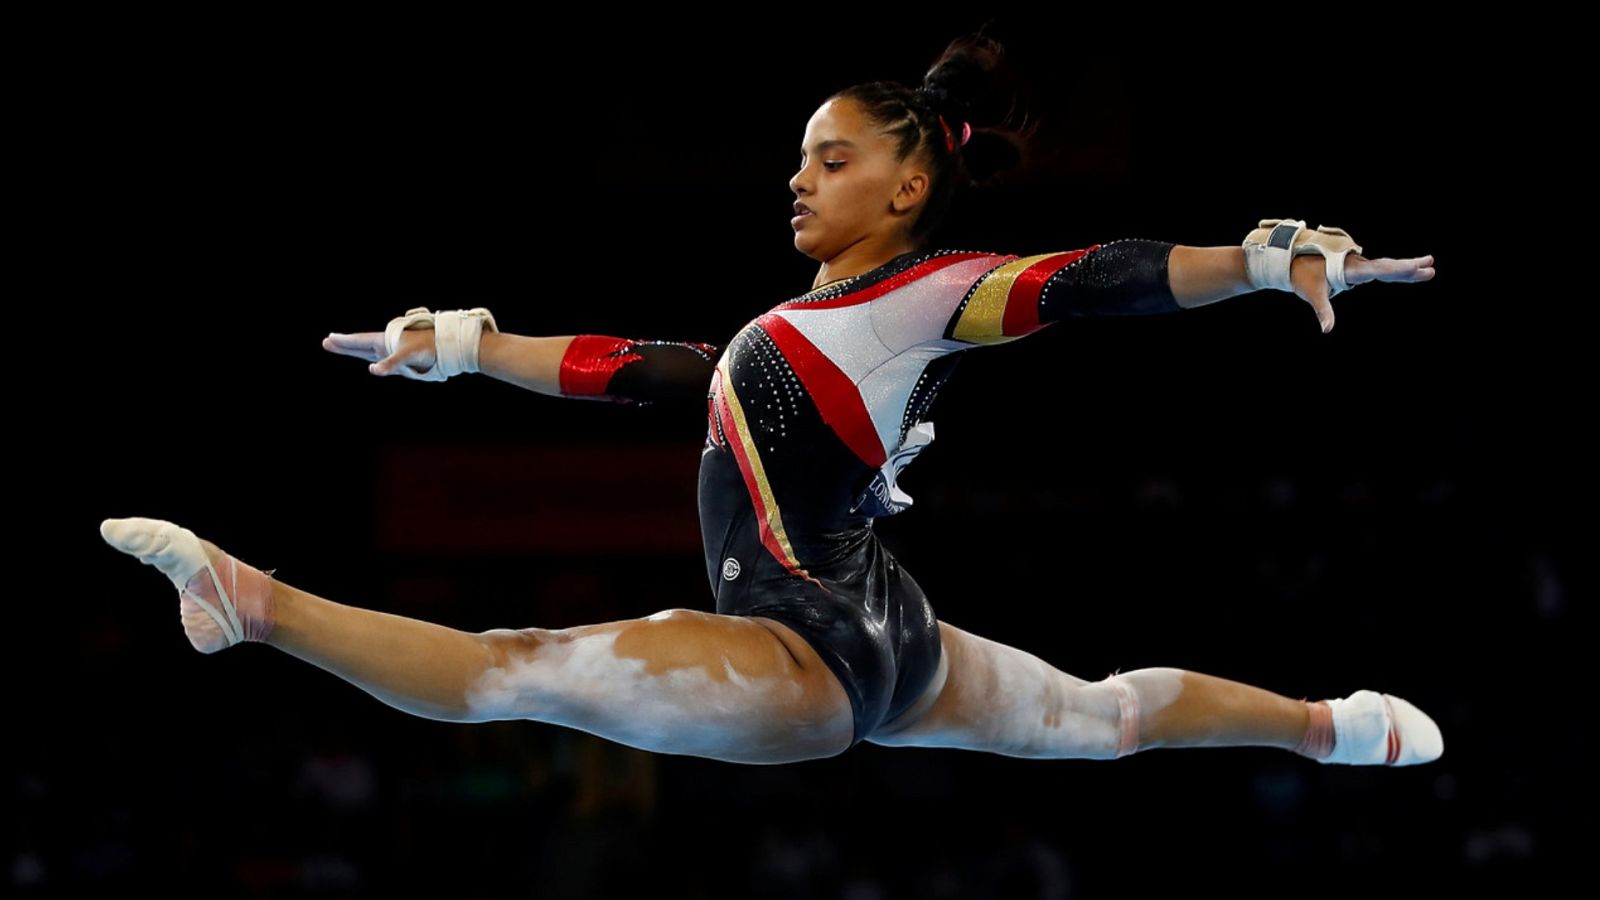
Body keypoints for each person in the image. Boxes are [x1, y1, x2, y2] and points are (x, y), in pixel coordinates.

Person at [100, 31, 1442, 767]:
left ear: (907, 187)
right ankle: (1333, 728)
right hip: (890, 635)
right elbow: (653, 373)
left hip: (809, 653)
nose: (797, 180)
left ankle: (252, 603)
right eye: (799, 159)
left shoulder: (932, 294)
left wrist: (1263, 261)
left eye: (830, 157)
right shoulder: (801, 336)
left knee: (512, 671)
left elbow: (1093, 281)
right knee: (1111, 719)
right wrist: (467, 345)